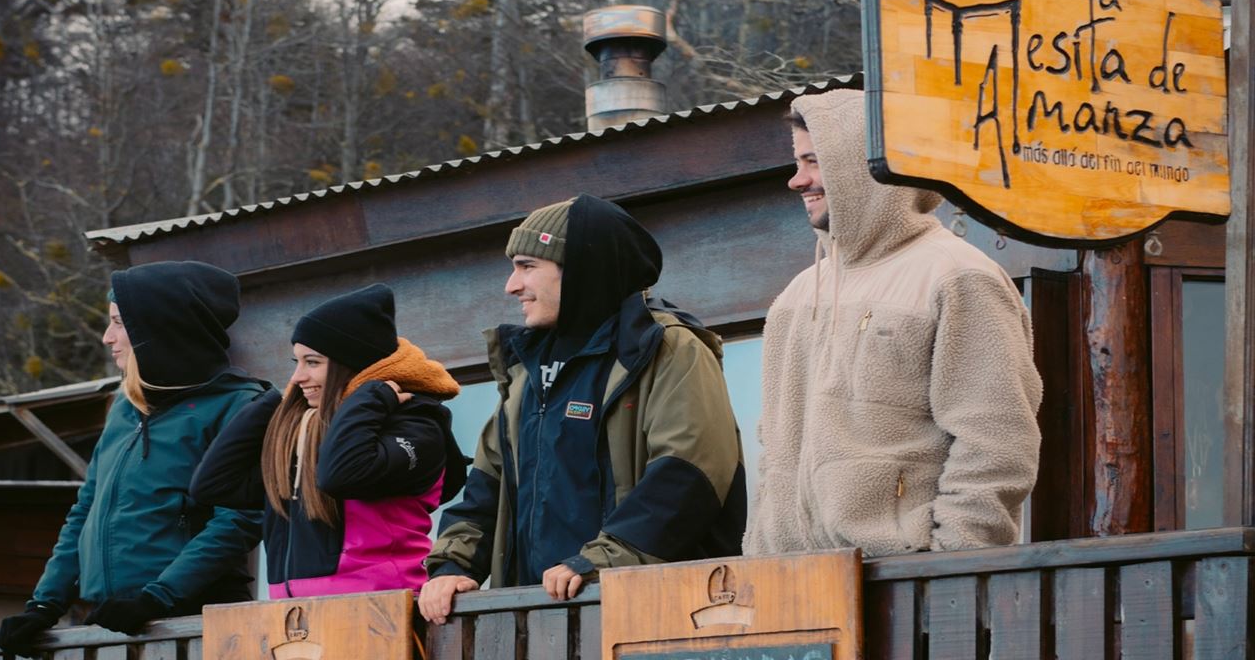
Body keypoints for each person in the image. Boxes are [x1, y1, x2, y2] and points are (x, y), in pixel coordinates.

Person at [419, 194, 746, 624]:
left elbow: (689, 475)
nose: (511, 285)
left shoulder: (665, 348)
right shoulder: (524, 370)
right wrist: (452, 567)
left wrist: (600, 563)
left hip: (649, 613)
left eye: (527, 266)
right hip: (535, 620)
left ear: (579, 271)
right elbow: (486, 488)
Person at [744, 89, 1042, 558]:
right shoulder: (797, 295)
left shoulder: (958, 276)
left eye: (814, 162)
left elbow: (997, 442)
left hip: (907, 585)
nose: (797, 181)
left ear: (863, 164)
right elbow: (774, 453)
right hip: (792, 587)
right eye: (798, 163)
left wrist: (949, 562)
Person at [0, 261, 266, 656]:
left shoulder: (242, 406)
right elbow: (85, 511)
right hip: (112, 622)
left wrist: (157, 597)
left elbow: (239, 520)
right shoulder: (125, 407)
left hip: (195, 622)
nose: (107, 338)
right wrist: (45, 603)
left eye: (119, 322)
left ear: (161, 329)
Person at [190, 283, 467, 598]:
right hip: (296, 618)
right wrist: (273, 404)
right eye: (295, 363)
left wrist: (371, 393)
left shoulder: (416, 425)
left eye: (312, 362)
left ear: (350, 364)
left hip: (382, 606)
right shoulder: (305, 432)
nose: (297, 377)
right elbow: (212, 485)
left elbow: (342, 475)